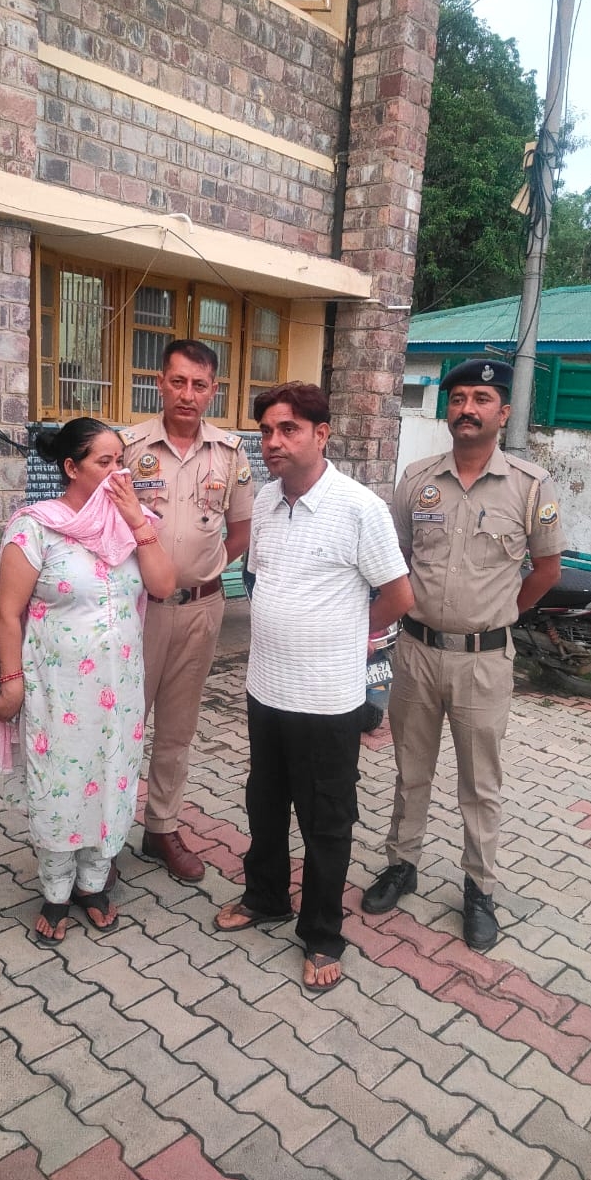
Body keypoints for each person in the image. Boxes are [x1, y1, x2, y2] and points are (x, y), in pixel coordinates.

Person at [215, 382, 413, 992]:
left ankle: (323, 933)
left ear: (321, 434)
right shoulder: (266, 501)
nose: (273, 442)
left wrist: (349, 634)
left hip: (327, 700)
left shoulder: (359, 508)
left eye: (289, 429)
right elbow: (257, 577)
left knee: (326, 820)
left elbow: (398, 595)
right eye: (266, 431)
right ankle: (266, 896)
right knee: (265, 803)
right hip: (266, 688)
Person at [362, 358, 565, 951]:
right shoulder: (417, 479)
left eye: (481, 399)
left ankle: (479, 889)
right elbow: (397, 560)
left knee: (480, 782)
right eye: (458, 399)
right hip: (416, 652)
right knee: (411, 770)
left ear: (504, 413)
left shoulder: (530, 486)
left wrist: (498, 616)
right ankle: (402, 864)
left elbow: (546, 570)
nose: (467, 408)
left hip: (484, 660)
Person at [0, 418, 175, 946]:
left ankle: (93, 884)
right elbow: (6, 612)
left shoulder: (132, 524)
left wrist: (136, 519)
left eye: (122, 462)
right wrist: (11, 681)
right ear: (71, 467)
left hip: (121, 688)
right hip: (58, 687)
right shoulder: (36, 527)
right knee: (61, 783)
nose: (119, 473)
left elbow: (164, 585)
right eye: (104, 462)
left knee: (113, 776)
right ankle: (55, 891)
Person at [120, 340, 253, 882]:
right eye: (178, 382)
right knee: (122, 722)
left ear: (213, 391)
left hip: (201, 610)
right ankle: (106, 833)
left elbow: (240, 530)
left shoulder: (231, 454)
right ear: (160, 383)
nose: (187, 394)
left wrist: (204, 569)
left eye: (199, 385)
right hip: (135, 611)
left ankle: (161, 827)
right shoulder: (128, 447)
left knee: (177, 728)